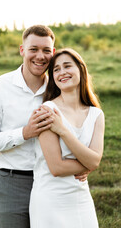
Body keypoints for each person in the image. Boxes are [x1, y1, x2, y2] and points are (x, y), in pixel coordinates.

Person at [0, 25, 89, 228]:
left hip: (53, 182)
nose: (40, 56)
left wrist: (82, 164)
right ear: (22, 50)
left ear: (53, 52)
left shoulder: (59, 88)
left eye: (46, 50)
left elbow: (79, 128)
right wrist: (25, 133)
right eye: (33, 49)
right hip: (11, 182)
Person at [30, 48, 105, 228]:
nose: (62, 72)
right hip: (50, 200)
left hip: (81, 200)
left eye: (67, 66)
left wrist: (63, 131)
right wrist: (89, 162)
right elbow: (56, 167)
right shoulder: (47, 111)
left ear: (80, 69)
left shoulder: (96, 115)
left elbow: (95, 161)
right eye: (56, 69)